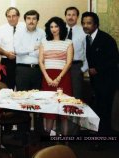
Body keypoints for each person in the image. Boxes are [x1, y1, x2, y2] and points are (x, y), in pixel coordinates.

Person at [82, 12, 119, 144]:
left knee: (105, 110)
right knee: (98, 109)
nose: (86, 25)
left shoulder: (106, 39)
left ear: (96, 24)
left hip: (108, 81)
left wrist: (97, 69)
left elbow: (114, 59)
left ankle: (103, 140)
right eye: (84, 23)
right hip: (96, 82)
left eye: (89, 23)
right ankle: (100, 137)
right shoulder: (87, 38)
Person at [39, 17, 74, 136]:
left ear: (61, 27)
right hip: (47, 78)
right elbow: (41, 62)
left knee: (64, 110)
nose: (54, 29)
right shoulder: (44, 42)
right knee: (49, 109)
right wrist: (48, 78)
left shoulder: (68, 42)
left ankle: (66, 141)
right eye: (51, 27)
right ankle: (47, 139)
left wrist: (58, 78)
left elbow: (69, 63)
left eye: (56, 26)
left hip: (63, 77)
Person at [14, 10, 45, 137]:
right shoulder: (19, 32)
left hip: (37, 70)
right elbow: (17, 50)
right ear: (25, 20)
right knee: (23, 100)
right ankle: (22, 131)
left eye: (34, 18)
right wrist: (33, 48)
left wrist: (26, 51)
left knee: (37, 100)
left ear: (37, 20)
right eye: (28, 18)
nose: (31, 21)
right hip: (22, 70)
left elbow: (42, 52)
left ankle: (38, 131)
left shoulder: (42, 32)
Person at [64, 6, 88, 135]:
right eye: (68, 14)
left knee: (76, 98)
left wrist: (82, 69)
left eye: (73, 14)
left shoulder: (83, 32)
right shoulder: (61, 30)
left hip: (76, 67)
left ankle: (74, 132)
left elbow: (87, 53)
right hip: (62, 68)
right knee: (63, 97)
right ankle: (63, 130)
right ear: (65, 16)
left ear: (77, 17)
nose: (71, 17)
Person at [0, 7, 26, 90]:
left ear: (18, 16)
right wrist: (6, 54)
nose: (11, 19)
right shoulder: (1, 29)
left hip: (23, 61)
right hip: (7, 62)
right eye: (9, 16)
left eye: (14, 16)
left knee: (22, 89)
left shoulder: (26, 27)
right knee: (6, 89)